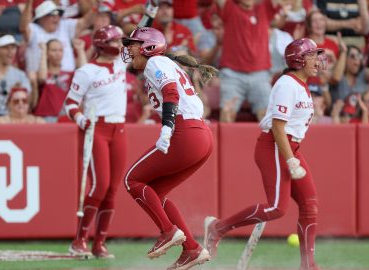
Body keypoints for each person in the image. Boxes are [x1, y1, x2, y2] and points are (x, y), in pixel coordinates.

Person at [203, 38, 327, 270]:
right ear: (298, 59)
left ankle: (308, 265)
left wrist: (292, 155)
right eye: (312, 55)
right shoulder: (287, 84)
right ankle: (218, 228)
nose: (317, 60)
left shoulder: (301, 84)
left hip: (291, 146)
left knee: (310, 205)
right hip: (275, 146)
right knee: (277, 208)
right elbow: (278, 128)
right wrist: (290, 159)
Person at [121, 27, 217, 270]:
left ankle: (167, 231)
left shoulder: (156, 63)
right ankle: (192, 249)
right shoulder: (162, 63)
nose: (129, 49)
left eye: (133, 44)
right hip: (201, 135)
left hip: (185, 132)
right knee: (155, 193)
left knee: (132, 180)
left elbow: (170, 92)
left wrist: (167, 127)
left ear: (148, 47)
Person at [65, 25, 128, 259]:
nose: (120, 45)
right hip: (96, 127)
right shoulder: (86, 71)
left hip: (119, 127)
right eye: (115, 41)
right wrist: (80, 119)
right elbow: (70, 102)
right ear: (103, 44)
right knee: (99, 185)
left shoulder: (122, 60)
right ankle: (80, 239)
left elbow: (143, 33)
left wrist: (149, 12)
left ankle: (99, 243)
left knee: (112, 188)